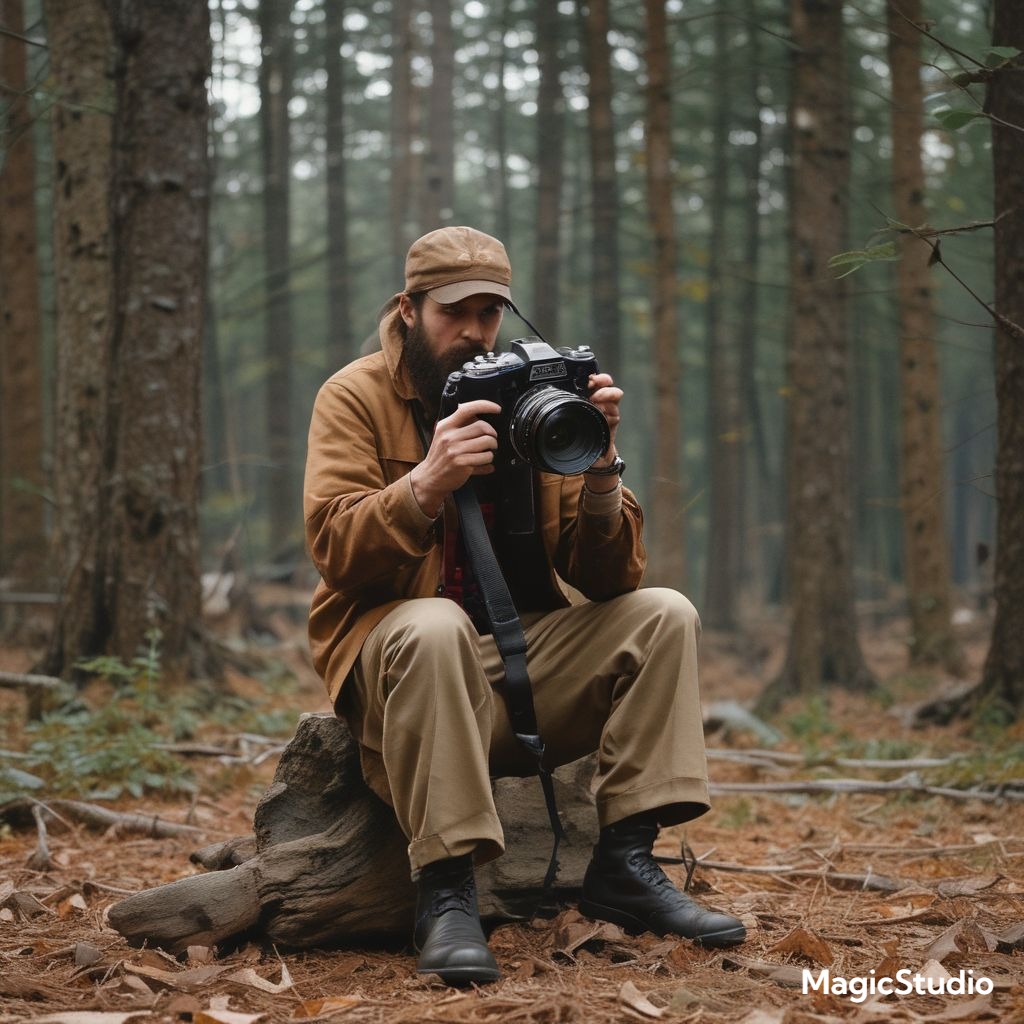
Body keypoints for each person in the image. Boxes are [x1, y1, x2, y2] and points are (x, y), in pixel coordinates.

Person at [303, 225, 745, 985]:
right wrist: (424, 486)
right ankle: (446, 891)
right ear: (408, 309)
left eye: (490, 312)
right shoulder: (355, 395)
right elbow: (335, 549)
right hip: (403, 667)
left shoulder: (533, 398)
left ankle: (626, 863)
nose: (474, 331)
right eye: (454, 312)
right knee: (436, 626)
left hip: (515, 666)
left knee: (665, 613)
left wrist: (601, 467)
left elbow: (610, 581)